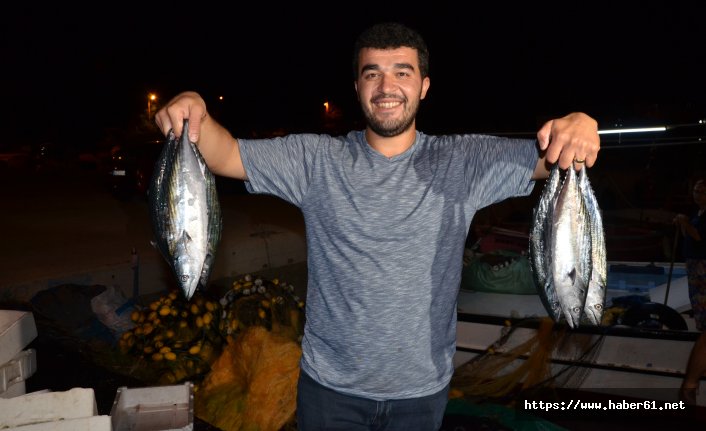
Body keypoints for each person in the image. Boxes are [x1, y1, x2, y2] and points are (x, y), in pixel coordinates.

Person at [155, 22, 600, 431]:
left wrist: (578, 124)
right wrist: (193, 109)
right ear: (357, 87)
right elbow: (226, 154)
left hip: (421, 396)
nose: (387, 87)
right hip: (330, 392)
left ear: (424, 86)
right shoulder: (316, 161)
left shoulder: (463, 161)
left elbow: (552, 160)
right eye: (373, 73)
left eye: (402, 73)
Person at [676, 178, 706, 404]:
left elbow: (698, 237)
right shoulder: (698, 214)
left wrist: (686, 223)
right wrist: (685, 223)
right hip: (695, 268)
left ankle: (690, 385)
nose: (698, 194)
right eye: (696, 190)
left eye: (702, 191)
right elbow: (692, 237)